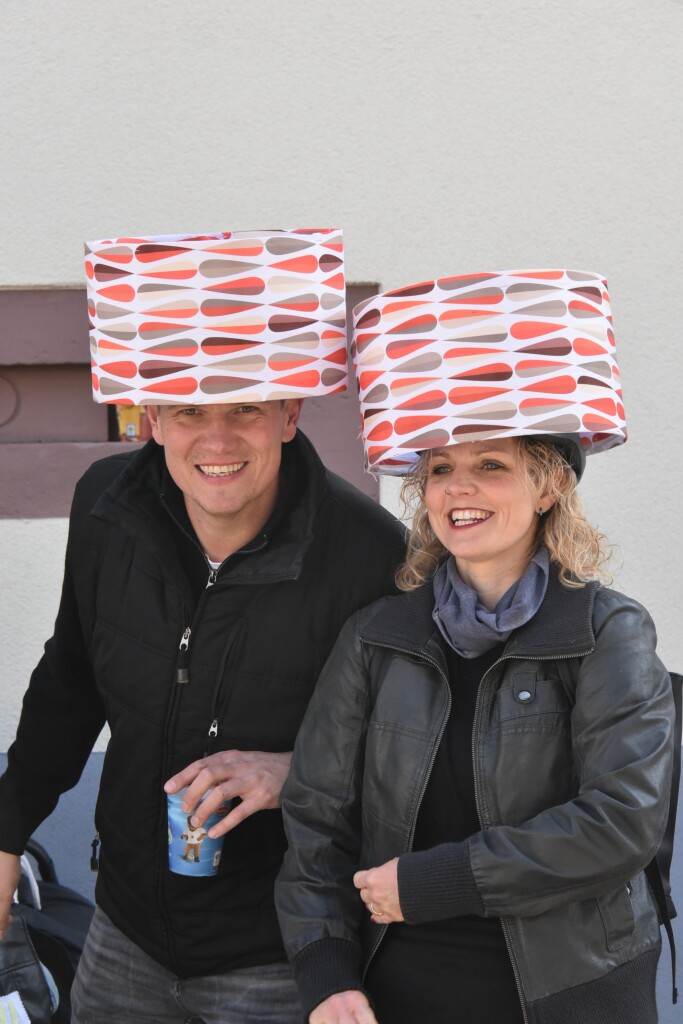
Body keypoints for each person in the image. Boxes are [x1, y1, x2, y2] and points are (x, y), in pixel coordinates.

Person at [0, 229, 406, 1024]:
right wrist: (7, 834)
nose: (215, 441)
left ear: (290, 413)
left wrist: (292, 770)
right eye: (188, 410)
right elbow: (71, 682)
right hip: (123, 935)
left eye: (245, 409)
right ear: (149, 415)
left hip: (280, 957)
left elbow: (403, 754)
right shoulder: (104, 506)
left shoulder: (369, 554)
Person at [275, 269, 674, 1023]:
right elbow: (314, 824)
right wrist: (326, 973)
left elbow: (622, 820)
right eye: (440, 470)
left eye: (491, 465)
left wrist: (435, 882)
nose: (460, 489)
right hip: (400, 987)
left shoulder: (605, 634)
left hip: (570, 989)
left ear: (547, 485)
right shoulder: (377, 638)